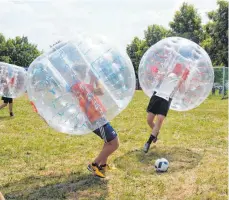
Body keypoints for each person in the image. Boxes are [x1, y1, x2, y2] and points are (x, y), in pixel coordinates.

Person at [71, 63, 119, 178]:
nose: (85, 73)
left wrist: (93, 79)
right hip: (95, 119)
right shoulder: (79, 86)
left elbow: (93, 92)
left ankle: (103, 165)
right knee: (115, 143)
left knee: (108, 142)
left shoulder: (80, 85)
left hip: (98, 117)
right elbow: (101, 91)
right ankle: (94, 164)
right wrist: (95, 78)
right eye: (83, 71)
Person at [143, 64, 189, 153]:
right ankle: (155, 133)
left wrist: (183, 80)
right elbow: (158, 78)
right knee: (149, 120)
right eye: (176, 66)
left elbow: (182, 91)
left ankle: (148, 142)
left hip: (166, 99)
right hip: (156, 96)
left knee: (159, 120)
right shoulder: (166, 73)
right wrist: (158, 73)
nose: (178, 68)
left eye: (180, 67)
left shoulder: (180, 79)